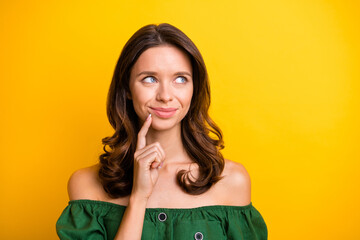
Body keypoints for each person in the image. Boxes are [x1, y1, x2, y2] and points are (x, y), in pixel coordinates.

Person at [56, 23, 267, 240]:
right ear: (127, 88)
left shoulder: (232, 181)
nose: (165, 95)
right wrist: (138, 198)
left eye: (180, 79)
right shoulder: (86, 185)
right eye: (149, 79)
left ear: (194, 89)